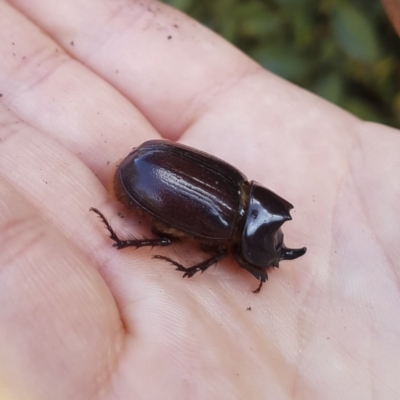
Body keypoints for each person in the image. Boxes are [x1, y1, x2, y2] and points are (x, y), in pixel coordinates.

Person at [0, 1, 399, 398]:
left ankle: (124, 243)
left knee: (173, 240)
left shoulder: (238, 184)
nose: (273, 251)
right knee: (169, 239)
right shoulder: (226, 224)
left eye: (271, 250)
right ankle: (124, 243)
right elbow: (215, 254)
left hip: (148, 164)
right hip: (140, 183)